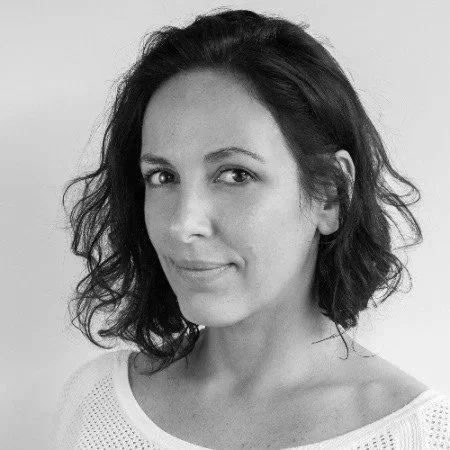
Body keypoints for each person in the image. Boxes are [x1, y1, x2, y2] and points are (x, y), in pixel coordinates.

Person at [52, 7, 450, 450]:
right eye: (163, 176)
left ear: (330, 194)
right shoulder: (96, 405)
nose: (183, 224)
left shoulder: (424, 437)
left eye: (236, 174)